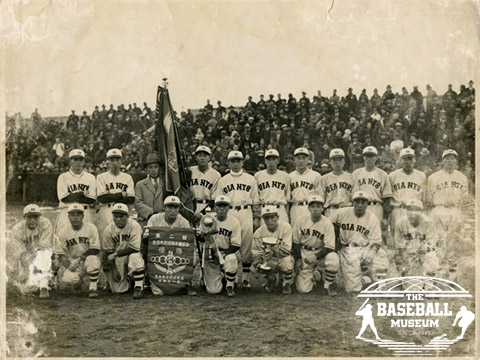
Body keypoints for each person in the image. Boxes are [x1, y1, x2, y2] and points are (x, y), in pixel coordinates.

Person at [214, 150, 260, 289]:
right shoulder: (223, 180)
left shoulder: (250, 179)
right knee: (230, 243)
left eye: (238, 161)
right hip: (230, 211)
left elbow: (256, 201)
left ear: (242, 162)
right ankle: (231, 276)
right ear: (228, 163)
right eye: (232, 161)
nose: (235, 164)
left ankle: (245, 278)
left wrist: (256, 218)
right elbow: (217, 200)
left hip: (246, 210)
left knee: (246, 244)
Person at [328, 191, 388, 293]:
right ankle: (364, 280)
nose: (360, 205)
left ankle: (380, 283)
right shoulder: (341, 213)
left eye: (363, 202)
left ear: (367, 204)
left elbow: (377, 240)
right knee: (352, 289)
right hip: (349, 249)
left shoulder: (372, 218)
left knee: (381, 254)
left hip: (366, 248)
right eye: (357, 202)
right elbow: (327, 224)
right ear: (352, 202)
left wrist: (370, 255)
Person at [426, 149, 469, 281]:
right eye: (447, 158)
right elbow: (428, 199)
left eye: (453, 158)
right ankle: (438, 270)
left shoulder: (462, 177)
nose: (450, 161)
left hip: (455, 210)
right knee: (437, 240)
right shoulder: (433, 177)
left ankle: (452, 272)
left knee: (453, 241)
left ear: (456, 161)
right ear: (442, 160)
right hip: (439, 209)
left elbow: (465, 199)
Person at [146, 196, 196, 296]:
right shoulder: (155, 219)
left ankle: (185, 283)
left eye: (175, 207)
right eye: (169, 207)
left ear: (179, 209)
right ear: (164, 208)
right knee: (158, 292)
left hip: (177, 254)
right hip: (158, 253)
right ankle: (150, 278)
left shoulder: (183, 221)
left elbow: (189, 243)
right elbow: (146, 239)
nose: (173, 211)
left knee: (194, 257)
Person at [292, 195, 339, 295]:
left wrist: (315, 256)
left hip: (320, 253)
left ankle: (328, 284)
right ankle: (315, 277)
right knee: (303, 290)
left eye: (318, 206)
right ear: (308, 208)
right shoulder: (300, 220)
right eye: (313, 206)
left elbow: (330, 247)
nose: (315, 209)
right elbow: (295, 242)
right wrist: (298, 259)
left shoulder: (327, 223)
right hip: (304, 253)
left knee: (333, 258)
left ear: (322, 208)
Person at [196, 195, 241, 297]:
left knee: (232, 259)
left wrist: (223, 254)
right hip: (210, 254)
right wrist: (204, 234)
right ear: (214, 207)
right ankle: (217, 278)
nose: (221, 209)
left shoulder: (234, 222)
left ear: (228, 207)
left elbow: (236, 245)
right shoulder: (207, 219)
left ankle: (229, 286)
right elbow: (199, 237)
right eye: (219, 206)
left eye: (224, 206)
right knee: (213, 291)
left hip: (227, 252)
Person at [53, 203, 101, 298]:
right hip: (72, 262)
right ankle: (78, 281)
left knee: (93, 260)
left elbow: (95, 249)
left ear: (83, 216)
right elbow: (59, 253)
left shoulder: (91, 228)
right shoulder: (63, 232)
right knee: (68, 279)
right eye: (72, 215)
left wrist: (80, 259)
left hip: (87, 260)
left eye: (78, 215)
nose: (75, 218)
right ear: (68, 217)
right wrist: (69, 265)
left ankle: (93, 287)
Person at [8, 204, 54, 298]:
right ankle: (47, 281)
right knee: (26, 290)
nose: (32, 220)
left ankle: (44, 286)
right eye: (29, 217)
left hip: (44, 254)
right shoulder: (17, 229)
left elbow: (43, 247)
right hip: (27, 257)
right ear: (24, 217)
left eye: (35, 217)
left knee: (43, 256)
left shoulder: (45, 223)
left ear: (40, 217)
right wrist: (27, 271)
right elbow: (21, 253)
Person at [102, 203, 145, 299]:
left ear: (127, 216)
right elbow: (108, 253)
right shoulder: (108, 230)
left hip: (133, 254)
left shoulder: (134, 226)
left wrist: (116, 253)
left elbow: (135, 248)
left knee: (135, 258)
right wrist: (114, 269)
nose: (118, 219)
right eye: (116, 216)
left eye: (121, 216)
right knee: (118, 290)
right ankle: (129, 278)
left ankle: (138, 287)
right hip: (118, 258)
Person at [352, 146, 392, 242]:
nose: (369, 159)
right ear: (363, 157)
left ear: (376, 158)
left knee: (376, 236)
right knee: (359, 235)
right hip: (359, 206)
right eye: (367, 156)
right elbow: (352, 195)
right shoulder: (356, 173)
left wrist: (386, 217)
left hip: (376, 207)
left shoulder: (383, 174)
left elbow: (386, 198)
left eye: (372, 156)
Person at [252, 205, 294, 295]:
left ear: (277, 217)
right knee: (254, 269)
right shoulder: (259, 232)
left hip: (282, 257)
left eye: (272, 217)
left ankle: (286, 283)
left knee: (287, 262)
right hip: (268, 259)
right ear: (263, 219)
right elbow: (256, 252)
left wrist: (273, 251)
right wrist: (258, 260)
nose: (270, 221)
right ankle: (271, 278)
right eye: (267, 218)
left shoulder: (286, 227)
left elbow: (287, 250)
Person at [393, 199, 439, 278]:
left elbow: (432, 244)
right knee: (410, 281)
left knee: (432, 257)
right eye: (409, 209)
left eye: (415, 210)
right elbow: (399, 246)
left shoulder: (429, 222)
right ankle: (404, 277)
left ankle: (429, 282)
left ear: (421, 212)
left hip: (423, 254)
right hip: (408, 255)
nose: (411, 213)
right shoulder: (400, 223)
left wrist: (420, 252)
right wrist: (405, 261)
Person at [55, 149, 96, 234]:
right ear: (70, 161)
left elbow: (91, 199)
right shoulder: (63, 177)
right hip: (67, 213)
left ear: (84, 161)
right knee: (63, 240)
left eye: (80, 159)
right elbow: (64, 198)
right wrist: (82, 194)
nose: (78, 162)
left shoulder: (90, 177)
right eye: (75, 159)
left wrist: (73, 196)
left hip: (85, 213)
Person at [96, 149, 135, 237]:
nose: (115, 163)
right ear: (107, 162)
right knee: (105, 239)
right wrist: (121, 195)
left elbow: (131, 199)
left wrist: (110, 196)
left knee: (123, 240)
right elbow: (102, 198)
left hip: (123, 212)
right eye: (112, 160)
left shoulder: (127, 177)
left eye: (117, 160)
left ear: (121, 161)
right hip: (106, 211)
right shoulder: (101, 177)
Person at [388, 148, 426, 237]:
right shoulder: (392, 176)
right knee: (397, 239)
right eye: (404, 159)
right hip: (398, 209)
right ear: (400, 161)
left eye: (410, 158)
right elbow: (388, 196)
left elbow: (424, 196)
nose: (408, 162)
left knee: (414, 238)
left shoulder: (422, 176)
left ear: (414, 160)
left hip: (415, 211)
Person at [288, 147, 322, 228]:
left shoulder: (316, 175)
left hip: (310, 208)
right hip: (295, 208)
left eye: (304, 158)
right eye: (298, 158)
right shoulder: (289, 176)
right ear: (294, 160)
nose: (301, 161)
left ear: (308, 159)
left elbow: (320, 196)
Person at [254, 149, 291, 223]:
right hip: (265, 208)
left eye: (274, 159)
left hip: (280, 209)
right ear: (265, 161)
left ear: (278, 161)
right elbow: (256, 199)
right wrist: (257, 217)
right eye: (269, 159)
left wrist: (287, 214)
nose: (271, 162)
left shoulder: (285, 176)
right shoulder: (258, 176)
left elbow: (287, 199)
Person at [188, 145, 221, 217]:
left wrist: (202, 213)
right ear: (196, 158)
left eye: (205, 155)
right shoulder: (190, 171)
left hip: (207, 207)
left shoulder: (216, 175)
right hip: (190, 206)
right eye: (200, 155)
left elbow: (214, 199)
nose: (202, 158)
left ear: (209, 158)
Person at [134, 153, 165, 228]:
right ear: (146, 169)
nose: (153, 170)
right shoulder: (140, 185)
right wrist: (151, 213)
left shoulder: (165, 184)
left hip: (163, 220)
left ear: (159, 168)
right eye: (150, 167)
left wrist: (163, 214)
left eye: (155, 167)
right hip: (145, 220)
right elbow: (137, 203)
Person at [321, 148, 353, 217]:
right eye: (334, 159)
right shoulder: (324, 178)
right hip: (330, 211)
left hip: (347, 210)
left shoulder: (351, 177)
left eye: (340, 159)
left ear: (344, 161)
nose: (337, 162)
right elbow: (321, 198)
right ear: (330, 162)